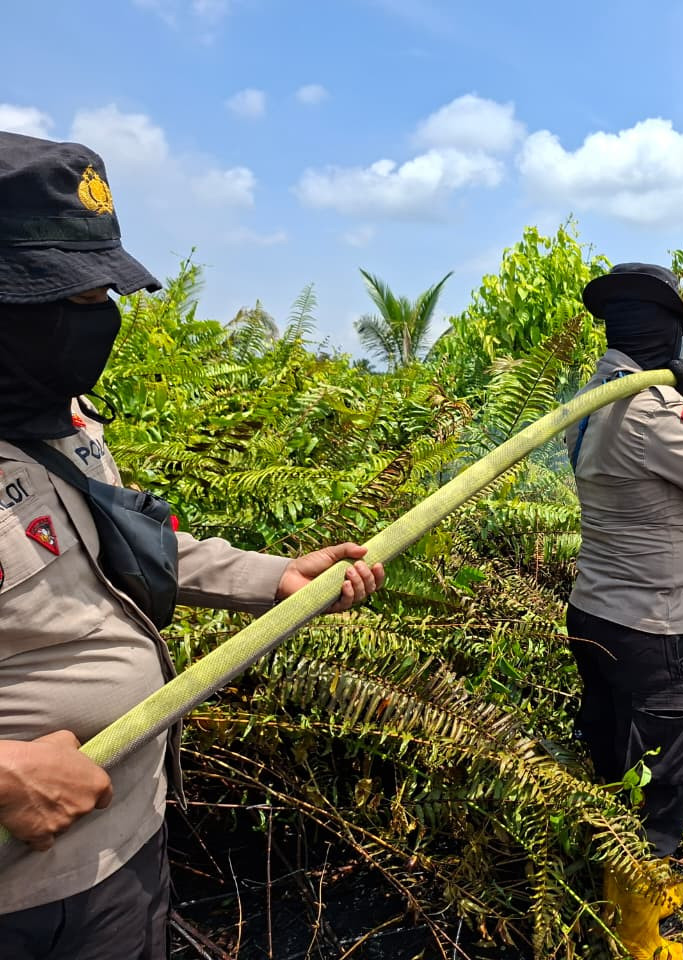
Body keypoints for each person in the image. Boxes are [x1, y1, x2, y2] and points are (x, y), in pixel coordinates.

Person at [0, 131, 386, 958]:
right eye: (65, 295)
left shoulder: (58, 419)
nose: (94, 318)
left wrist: (275, 575)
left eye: (102, 292)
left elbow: (122, 545)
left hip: (125, 846)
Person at [567, 263, 683, 960]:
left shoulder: (598, 396)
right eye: (679, 332)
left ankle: (620, 893)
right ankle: (639, 939)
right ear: (663, 333)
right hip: (650, 625)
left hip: (599, 611)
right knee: (660, 774)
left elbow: (661, 458)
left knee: (616, 759)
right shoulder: (646, 410)